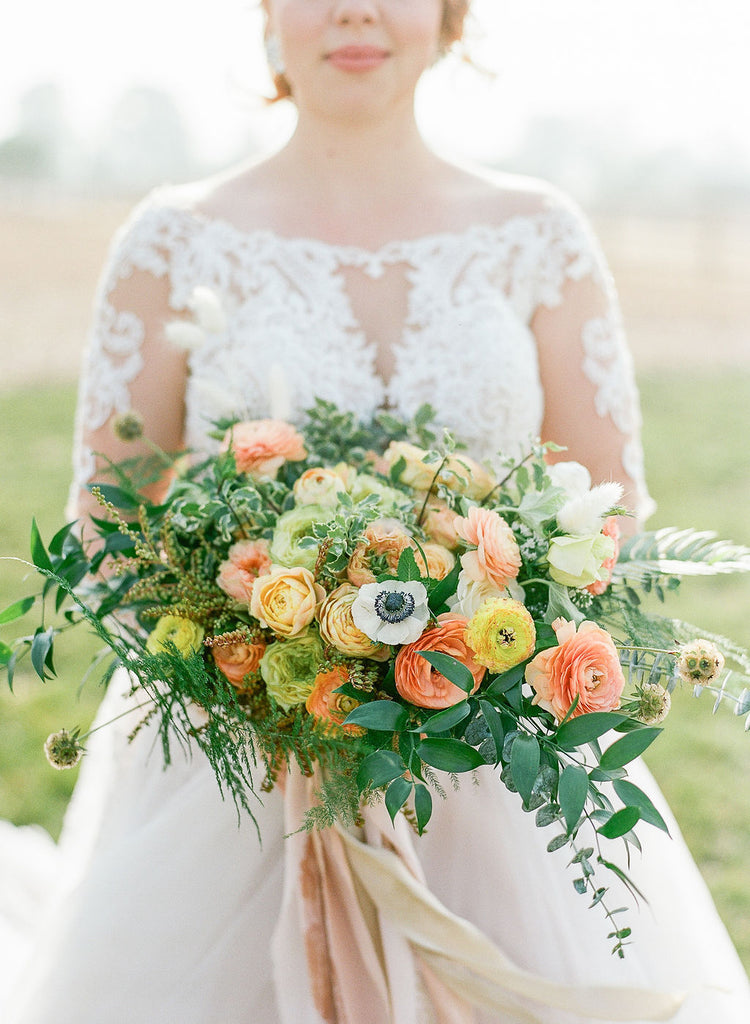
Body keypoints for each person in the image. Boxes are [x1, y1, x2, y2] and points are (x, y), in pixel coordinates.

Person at [2, 1, 750, 1021]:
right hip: (233, 762)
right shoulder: (173, 240)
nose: (355, 8)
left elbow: (605, 507)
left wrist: (479, 662)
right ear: (268, 12)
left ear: (448, 14)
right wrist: (265, 668)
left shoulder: (539, 236)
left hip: (500, 750)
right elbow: (110, 518)